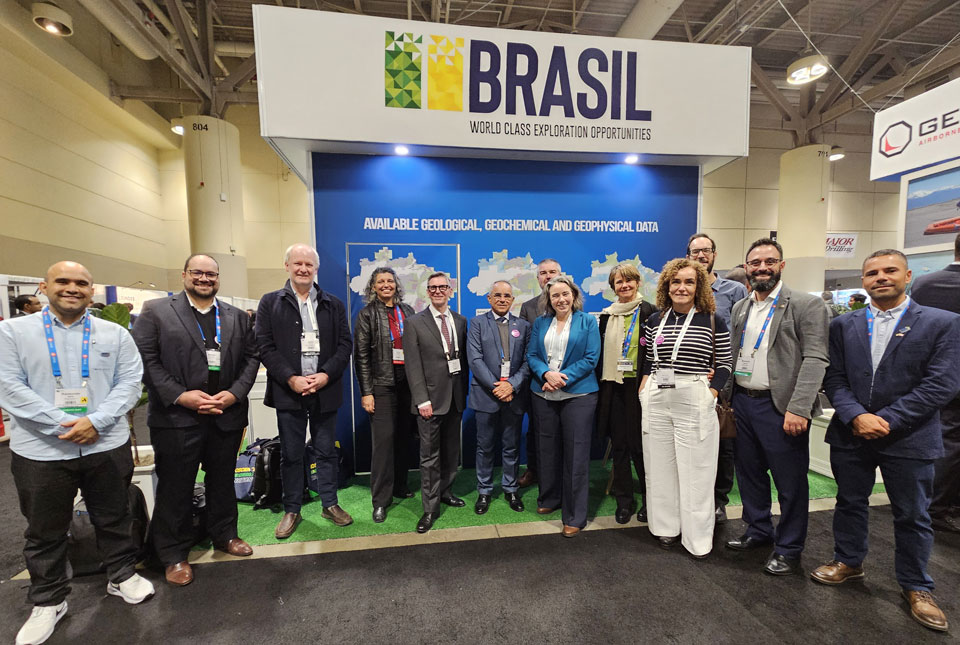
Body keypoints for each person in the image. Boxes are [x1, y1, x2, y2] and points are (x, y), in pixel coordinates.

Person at [0, 261, 154, 645]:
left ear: (91, 289)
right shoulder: (12, 332)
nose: (72, 288)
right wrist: (62, 425)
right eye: (63, 281)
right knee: (44, 529)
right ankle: (48, 600)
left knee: (114, 515)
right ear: (43, 286)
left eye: (81, 283)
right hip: (41, 450)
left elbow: (130, 383)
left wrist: (96, 421)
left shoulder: (114, 334)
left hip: (104, 443)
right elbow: (9, 387)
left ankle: (121, 576)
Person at [816, 249, 960, 633]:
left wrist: (887, 419)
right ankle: (848, 561)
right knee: (849, 502)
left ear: (907, 275)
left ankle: (917, 585)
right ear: (863, 280)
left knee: (913, 514)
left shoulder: (943, 323)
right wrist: (856, 415)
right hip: (852, 433)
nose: (881, 277)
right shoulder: (843, 325)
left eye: (889, 271)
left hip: (910, 437)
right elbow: (834, 378)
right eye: (872, 272)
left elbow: (942, 384)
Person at [132, 254, 260, 586]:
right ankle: (173, 555)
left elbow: (250, 359)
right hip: (177, 418)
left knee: (222, 481)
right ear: (185, 275)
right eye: (198, 273)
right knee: (176, 487)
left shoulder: (234, 316)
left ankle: (225, 535)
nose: (205, 279)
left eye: (211, 274)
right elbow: (146, 360)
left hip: (225, 414)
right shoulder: (157, 311)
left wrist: (234, 394)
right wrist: (180, 395)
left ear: (218, 278)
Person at [724, 238, 829, 576]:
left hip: (780, 407)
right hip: (742, 402)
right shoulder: (742, 307)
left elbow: (815, 358)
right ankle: (758, 530)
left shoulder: (805, 305)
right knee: (750, 475)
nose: (762, 268)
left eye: (769, 261)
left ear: (781, 265)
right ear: (747, 267)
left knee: (790, 482)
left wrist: (799, 407)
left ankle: (789, 548)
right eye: (755, 263)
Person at [256, 243, 354, 539]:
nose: (303, 269)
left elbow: (344, 345)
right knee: (291, 453)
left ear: (316, 269)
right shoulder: (270, 302)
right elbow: (264, 345)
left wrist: (325, 374)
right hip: (290, 392)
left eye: (309, 265)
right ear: (287, 266)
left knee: (326, 451)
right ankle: (292, 510)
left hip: (325, 390)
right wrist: (290, 378)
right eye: (297, 263)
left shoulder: (333, 303)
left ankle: (330, 504)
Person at [638, 259, 732, 557]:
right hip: (657, 396)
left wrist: (712, 392)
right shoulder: (655, 320)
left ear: (698, 286)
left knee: (697, 471)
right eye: (675, 281)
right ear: (667, 285)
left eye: (688, 282)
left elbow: (725, 364)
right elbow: (650, 361)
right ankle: (665, 528)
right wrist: (644, 388)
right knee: (659, 466)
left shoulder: (713, 319)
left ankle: (697, 539)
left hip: (693, 395)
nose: (681, 287)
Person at [527, 275, 600, 538]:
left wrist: (559, 379)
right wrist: (546, 374)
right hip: (543, 393)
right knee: (546, 449)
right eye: (555, 295)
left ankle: (574, 515)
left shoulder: (588, 321)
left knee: (575, 455)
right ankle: (550, 498)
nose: (561, 299)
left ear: (574, 296)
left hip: (578, 396)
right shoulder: (540, 323)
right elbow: (532, 355)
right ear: (549, 299)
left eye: (565, 294)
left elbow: (591, 358)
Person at [687, 233, 748, 524]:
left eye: (706, 251)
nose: (701, 256)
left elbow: (744, 336)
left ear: (714, 254)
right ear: (688, 257)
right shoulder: (683, 291)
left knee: (722, 442)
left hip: (722, 381)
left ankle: (718, 500)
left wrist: (724, 374)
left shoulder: (734, 291)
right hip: (689, 380)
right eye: (695, 252)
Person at [403, 272, 469, 533]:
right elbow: (412, 366)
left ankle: (445, 491)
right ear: (427, 292)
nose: (438, 291)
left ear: (450, 290)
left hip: (455, 398)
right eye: (433, 287)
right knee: (429, 457)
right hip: (429, 401)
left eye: (443, 287)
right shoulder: (414, 323)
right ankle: (429, 509)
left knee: (452, 452)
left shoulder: (461, 321)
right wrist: (421, 400)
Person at [354, 267, 417, 523]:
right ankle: (380, 500)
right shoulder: (366, 314)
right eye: (381, 281)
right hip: (381, 386)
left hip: (408, 385)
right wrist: (367, 392)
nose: (386, 285)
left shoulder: (408, 312)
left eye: (390, 281)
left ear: (396, 285)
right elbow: (361, 357)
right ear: (373, 287)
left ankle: (400, 485)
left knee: (404, 438)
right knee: (383, 445)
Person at [596, 263, 656, 524]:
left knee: (643, 449)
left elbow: (655, 353)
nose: (624, 286)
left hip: (641, 388)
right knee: (620, 446)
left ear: (638, 282)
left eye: (629, 280)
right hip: (614, 388)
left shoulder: (651, 312)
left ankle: (650, 501)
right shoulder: (607, 316)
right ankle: (625, 501)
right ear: (613, 287)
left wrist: (647, 381)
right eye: (618, 282)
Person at [909, 233, 960, 534]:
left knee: (947, 437)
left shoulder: (925, 285)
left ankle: (934, 503)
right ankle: (938, 506)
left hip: (931, 373)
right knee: (951, 441)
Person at [467, 280, 531, 515]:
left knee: (511, 446)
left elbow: (527, 361)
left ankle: (510, 488)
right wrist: (498, 387)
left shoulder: (523, 326)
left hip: (513, 396)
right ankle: (484, 490)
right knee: (484, 447)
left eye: (507, 296)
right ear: (489, 298)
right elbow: (475, 359)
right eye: (497, 295)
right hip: (487, 395)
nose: (502, 299)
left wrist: (511, 386)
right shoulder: (476, 323)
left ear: (512, 300)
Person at [518, 258, 563, 488]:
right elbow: (527, 348)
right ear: (538, 279)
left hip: (566, 380)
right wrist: (544, 375)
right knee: (536, 430)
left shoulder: (572, 303)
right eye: (543, 273)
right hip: (537, 381)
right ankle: (534, 470)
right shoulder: (528, 307)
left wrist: (560, 376)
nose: (548, 276)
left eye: (552, 272)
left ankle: (559, 472)